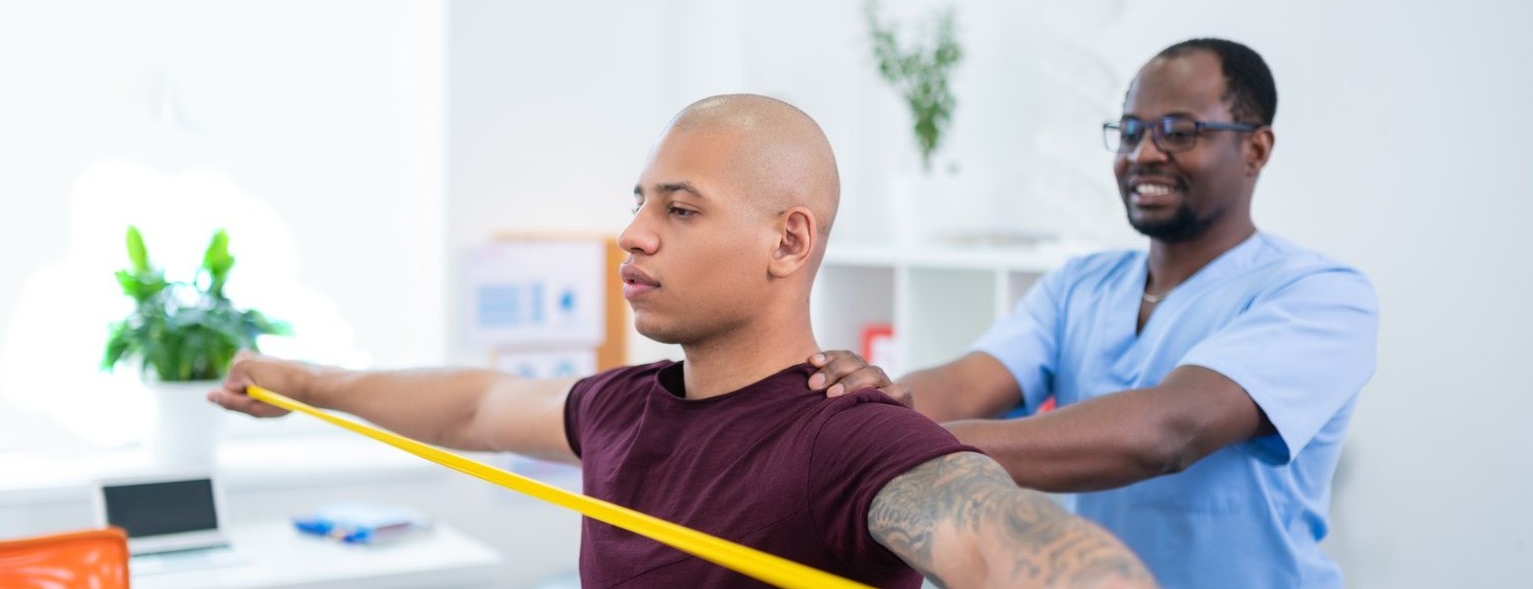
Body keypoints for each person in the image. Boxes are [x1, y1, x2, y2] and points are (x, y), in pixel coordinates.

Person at [209, 94, 1154, 589]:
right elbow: (474, 403)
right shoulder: (620, 405)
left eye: (681, 208)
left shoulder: (850, 434)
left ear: (789, 241)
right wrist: (305, 381)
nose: (635, 232)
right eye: (640, 201)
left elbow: (993, 537)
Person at [808, 39, 1379, 588]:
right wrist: (865, 407)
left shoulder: (1320, 295)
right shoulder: (1083, 283)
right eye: (1130, 131)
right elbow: (968, 380)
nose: (1145, 153)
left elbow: (1167, 433)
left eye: (1179, 132)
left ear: (1256, 149)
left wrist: (899, 448)